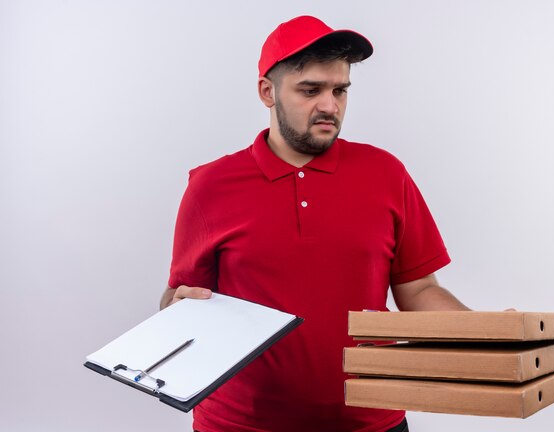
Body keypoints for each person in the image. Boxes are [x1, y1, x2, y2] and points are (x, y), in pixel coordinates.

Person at [161, 15, 470, 432]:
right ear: (267, 92)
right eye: (310, 90)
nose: (330, 105)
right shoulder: (210, 186)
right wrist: (176, 310)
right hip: (240, 425)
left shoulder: (386, 173)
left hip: (372, 422)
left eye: (339, 90)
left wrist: (491, 337)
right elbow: (179, 298)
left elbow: (419, 290)